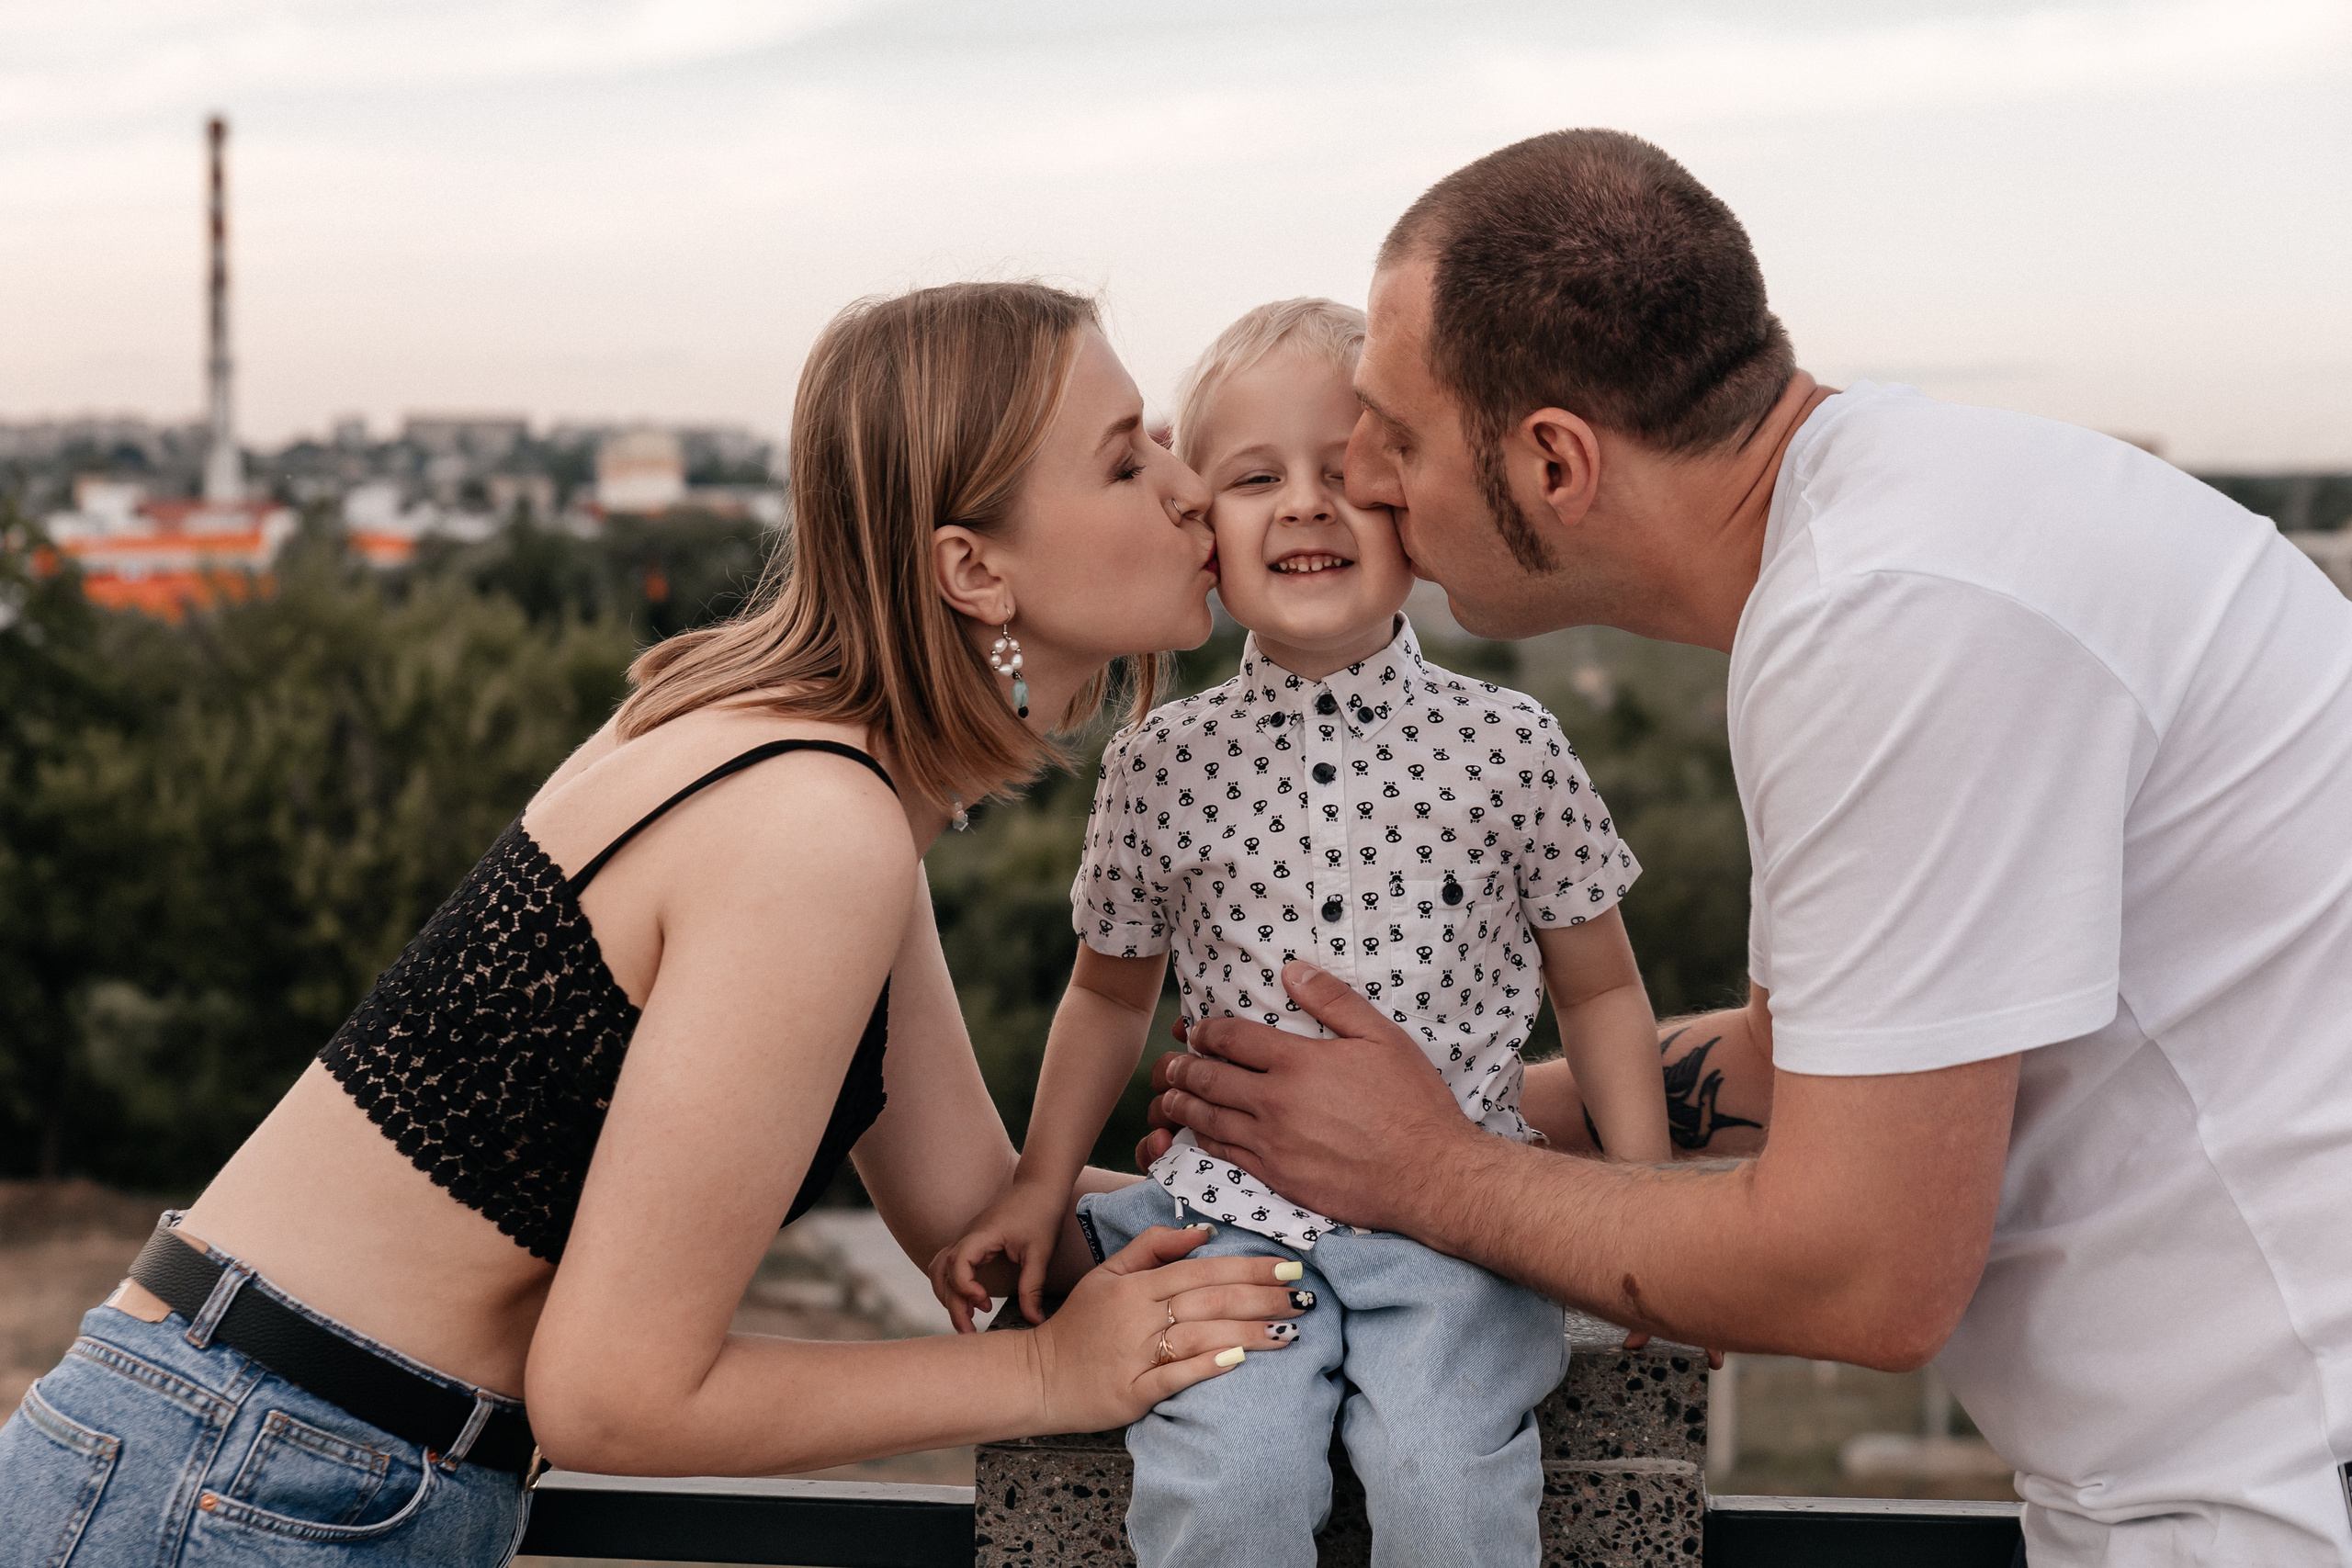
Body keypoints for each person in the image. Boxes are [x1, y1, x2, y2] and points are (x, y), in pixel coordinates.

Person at [1140, 130, 2352, 1565]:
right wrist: (1362, 1114)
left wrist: (1424, 1172)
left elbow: (1865, 1271)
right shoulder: (1902, 532)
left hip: (2275, 1483)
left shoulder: (1887, 624)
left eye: (1393, 439)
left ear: (1552, 460)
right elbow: (1824, 1066)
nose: (1367, 482)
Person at [0, 282, 1310, 1568]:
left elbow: (974, 1210)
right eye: (1125, 457)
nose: (1188, 481)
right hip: (250, 1477)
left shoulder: (821, 780)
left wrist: (1361, 1204)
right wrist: (1043, 1379)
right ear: (972, 568)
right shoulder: (812, 824)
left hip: (253, 1446)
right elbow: (618, 1395)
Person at [932, 297, 1667, 1568]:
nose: (1307, 504)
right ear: (1202, 529)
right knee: (1228, 1485)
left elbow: (1600, 993)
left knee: (1446, 1483)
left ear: (1413, 516)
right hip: (1227, 1226)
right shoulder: (1157, 764)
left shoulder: (1512, 746)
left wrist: (1648, 1217)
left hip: (1462, 1224)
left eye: (1349, 472)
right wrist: (1043, 1181)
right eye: (1256, 476)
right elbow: (1107, 998)